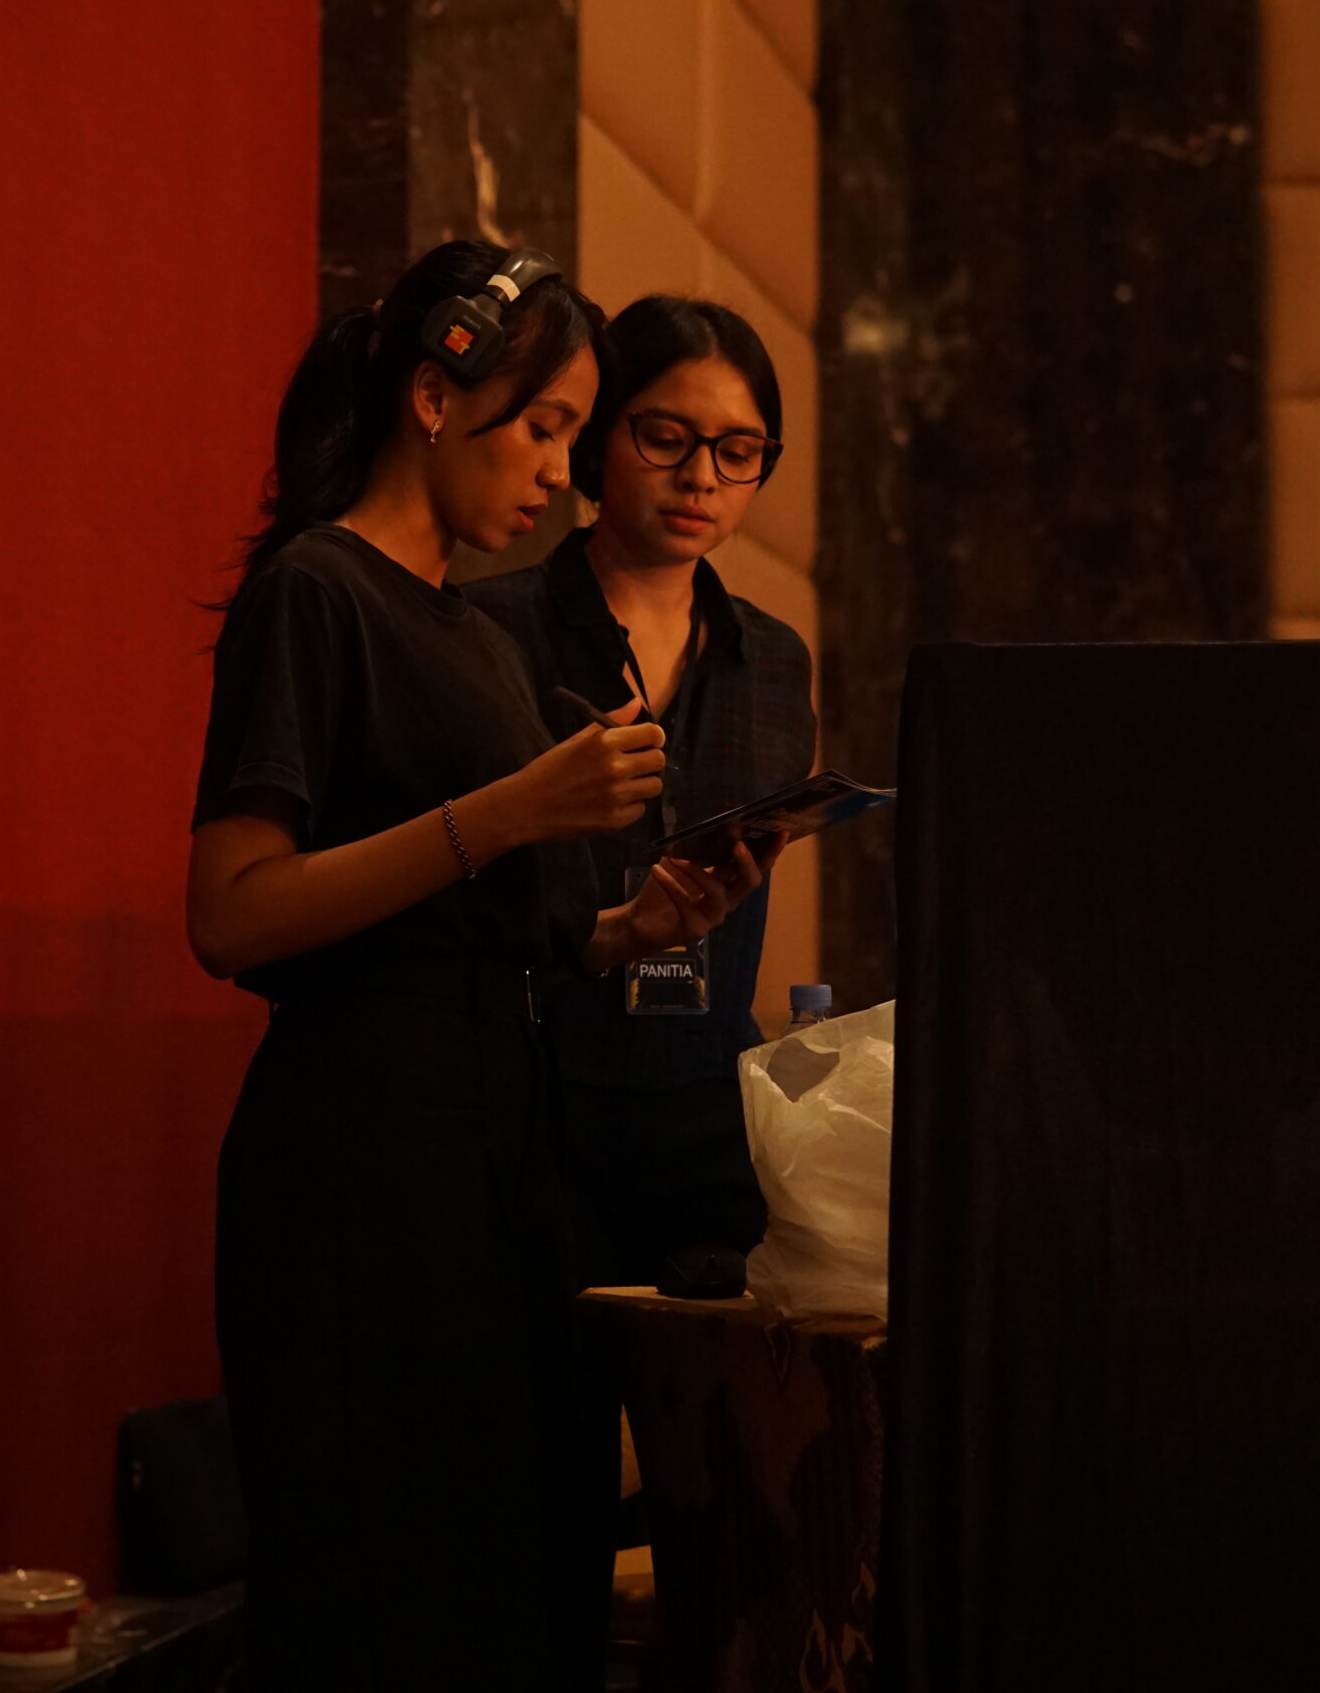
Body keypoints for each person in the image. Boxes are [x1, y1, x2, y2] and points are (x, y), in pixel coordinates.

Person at [184, 244, 772, 1692]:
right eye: (546, 426)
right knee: (383, 1590)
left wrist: (639, 924)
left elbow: (500, 926)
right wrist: (513, 808)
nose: (559, 472)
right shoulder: (318, 591)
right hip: (359, 1158)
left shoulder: (471, 629)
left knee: (519, 1581)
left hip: (504, 1148)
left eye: (575, 431)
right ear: (435, 399)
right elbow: (234, 912)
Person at [466, 295, 817, 1297]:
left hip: (706, 1105)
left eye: (739, 450)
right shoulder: (491, 631)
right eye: (666, 437)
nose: (701, 476)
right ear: (595, 435)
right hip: (535, 1102)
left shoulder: (773, 662)